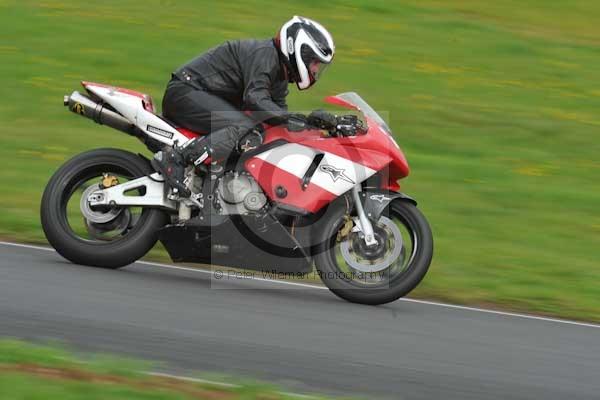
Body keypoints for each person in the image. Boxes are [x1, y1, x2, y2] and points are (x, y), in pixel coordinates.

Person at [152, 16, 337, 198]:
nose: (315, 70)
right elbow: (255, 99)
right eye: (314, 63)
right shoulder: (265, 55)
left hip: (202, 97)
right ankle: (177, 158)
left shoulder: (280, 75)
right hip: (187, 92)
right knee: (245, 129)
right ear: (297, 50)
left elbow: (278, 118)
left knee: (263, 135)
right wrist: (291, 118)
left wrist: (312, 128)